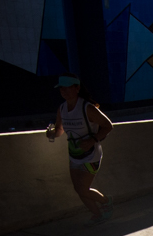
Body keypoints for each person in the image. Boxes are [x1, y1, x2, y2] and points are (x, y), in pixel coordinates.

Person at [46, 74, 114, 225]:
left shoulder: (86, 108)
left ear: (77, 88)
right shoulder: (62, 108)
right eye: (61, 88)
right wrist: (51, 133)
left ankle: (105, 201)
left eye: (67, 88)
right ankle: (97, 215)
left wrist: (92, 140)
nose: (63, 91)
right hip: (74, 154)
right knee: (78, 188)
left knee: (83, 189)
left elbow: (108, 126)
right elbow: (59, 130)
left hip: (92, 155)